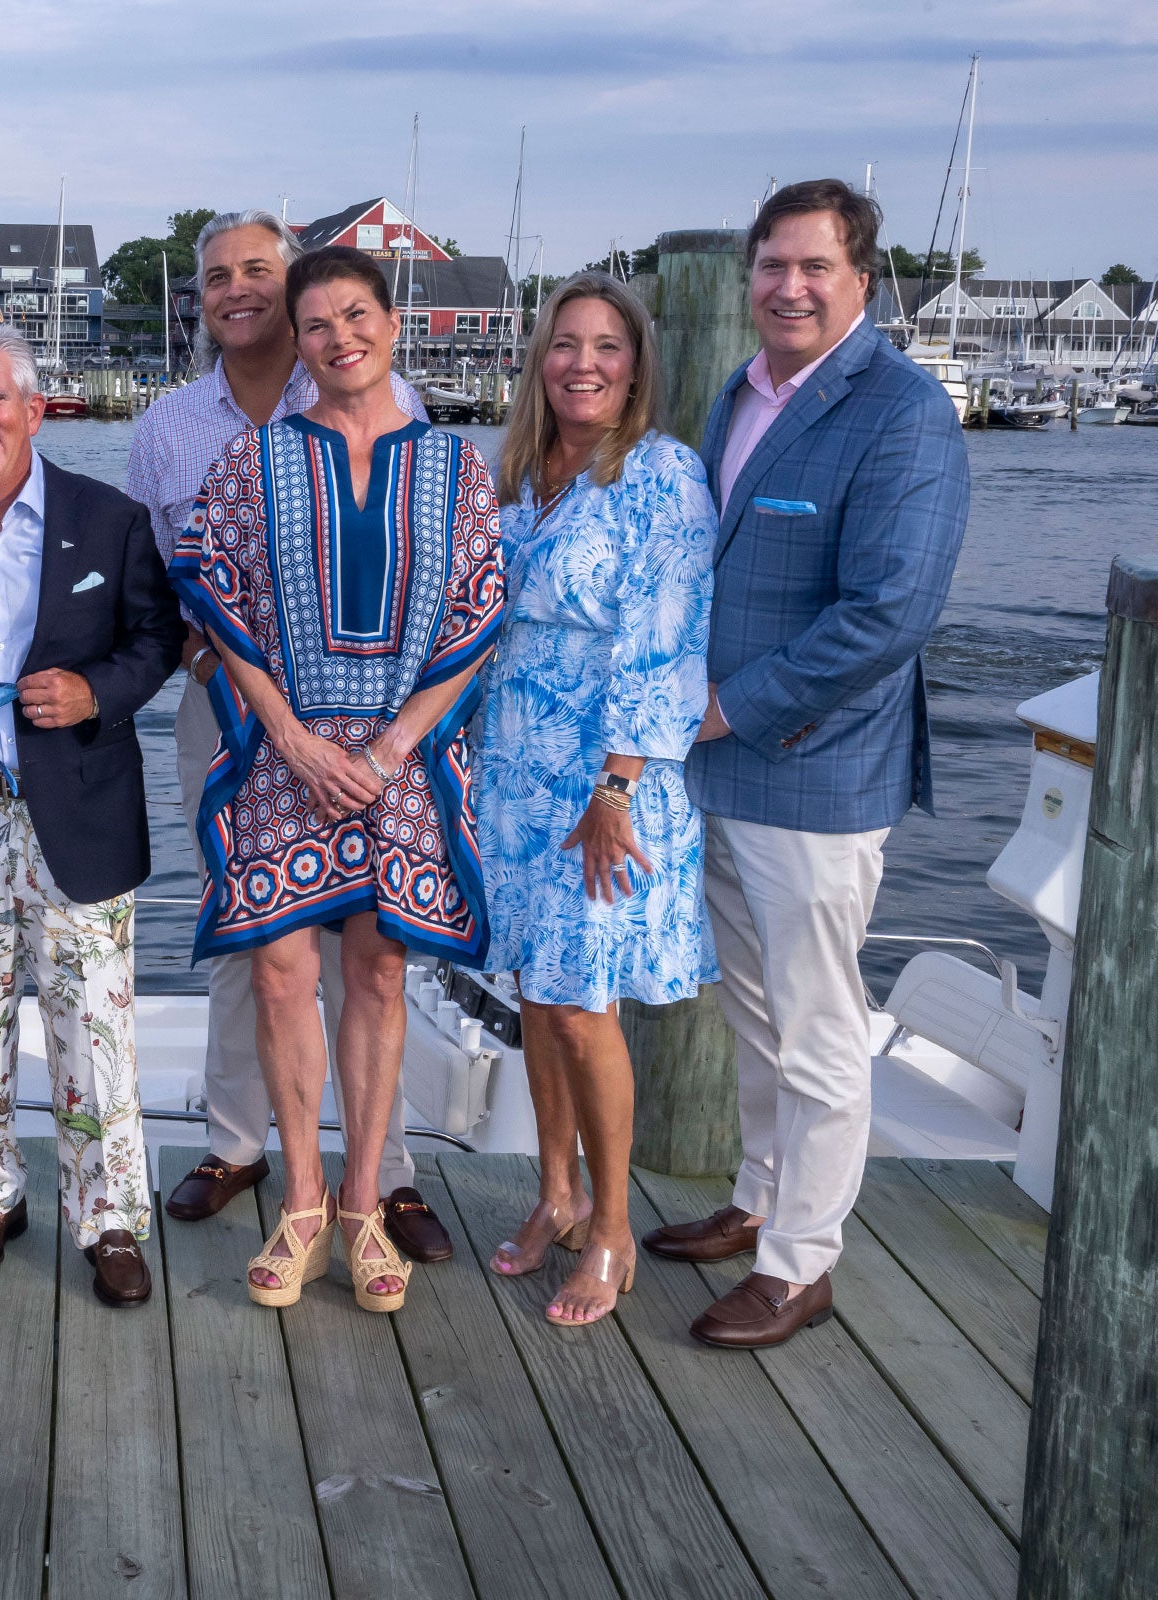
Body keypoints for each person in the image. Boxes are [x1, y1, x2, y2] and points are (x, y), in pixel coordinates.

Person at [644, 179, 967, 1349]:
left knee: (823, 1026)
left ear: (860, 280)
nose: (788, 286)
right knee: (754, 1009)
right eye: (772, 265)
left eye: (814, 267)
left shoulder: (904, 411)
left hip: (815, 773)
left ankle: (801, 1264)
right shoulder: (741, 390)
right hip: (718, 768)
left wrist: (730, 707)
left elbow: (891, 612)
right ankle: (759, 1195)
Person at [171, 245, 505, 1315]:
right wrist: (297, 740)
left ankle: (365, 1199)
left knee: (375, 973)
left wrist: (389, 750)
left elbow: (475, 619)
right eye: (317, 325)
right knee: (277, 968)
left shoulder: (458, 468)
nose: (338, 338)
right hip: (285, 753)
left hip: (402, 760)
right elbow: (220, 614)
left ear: (391, 323)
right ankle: (302, 1199)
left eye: (356, 316)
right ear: (298, 340)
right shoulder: (250, 463)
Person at [124, 211, 451, 1268]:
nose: (238, 289)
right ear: (201, 298)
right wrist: (197, 652)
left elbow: (433, 576)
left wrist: (390, 736)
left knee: (377, 948)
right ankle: (238, 1149)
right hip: (225, 710)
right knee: (250, 938)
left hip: (373, 734)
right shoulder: (168, 429)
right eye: (217, 277)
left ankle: (381, 1174)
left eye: (258, 270)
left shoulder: (388, 401)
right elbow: (147, 581)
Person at [0, 324, 185, 1305]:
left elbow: (157, 640)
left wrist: (98, 691)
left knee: (92, 1032)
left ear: (32, 405)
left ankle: (109, 1221)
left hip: (77, 809)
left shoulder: (110, 520)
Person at [473, 273, 718, 1328]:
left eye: (605, 346)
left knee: (584, 1004)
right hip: (513, 768)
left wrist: (618, 785)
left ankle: (613, 1224)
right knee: (537, 991)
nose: (582, 363)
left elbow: (667, 640)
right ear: (541, 359)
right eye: (565, 343)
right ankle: (556, 1194)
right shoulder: (522, 469)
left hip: (602, 777)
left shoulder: (663, 475)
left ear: (637, 363)